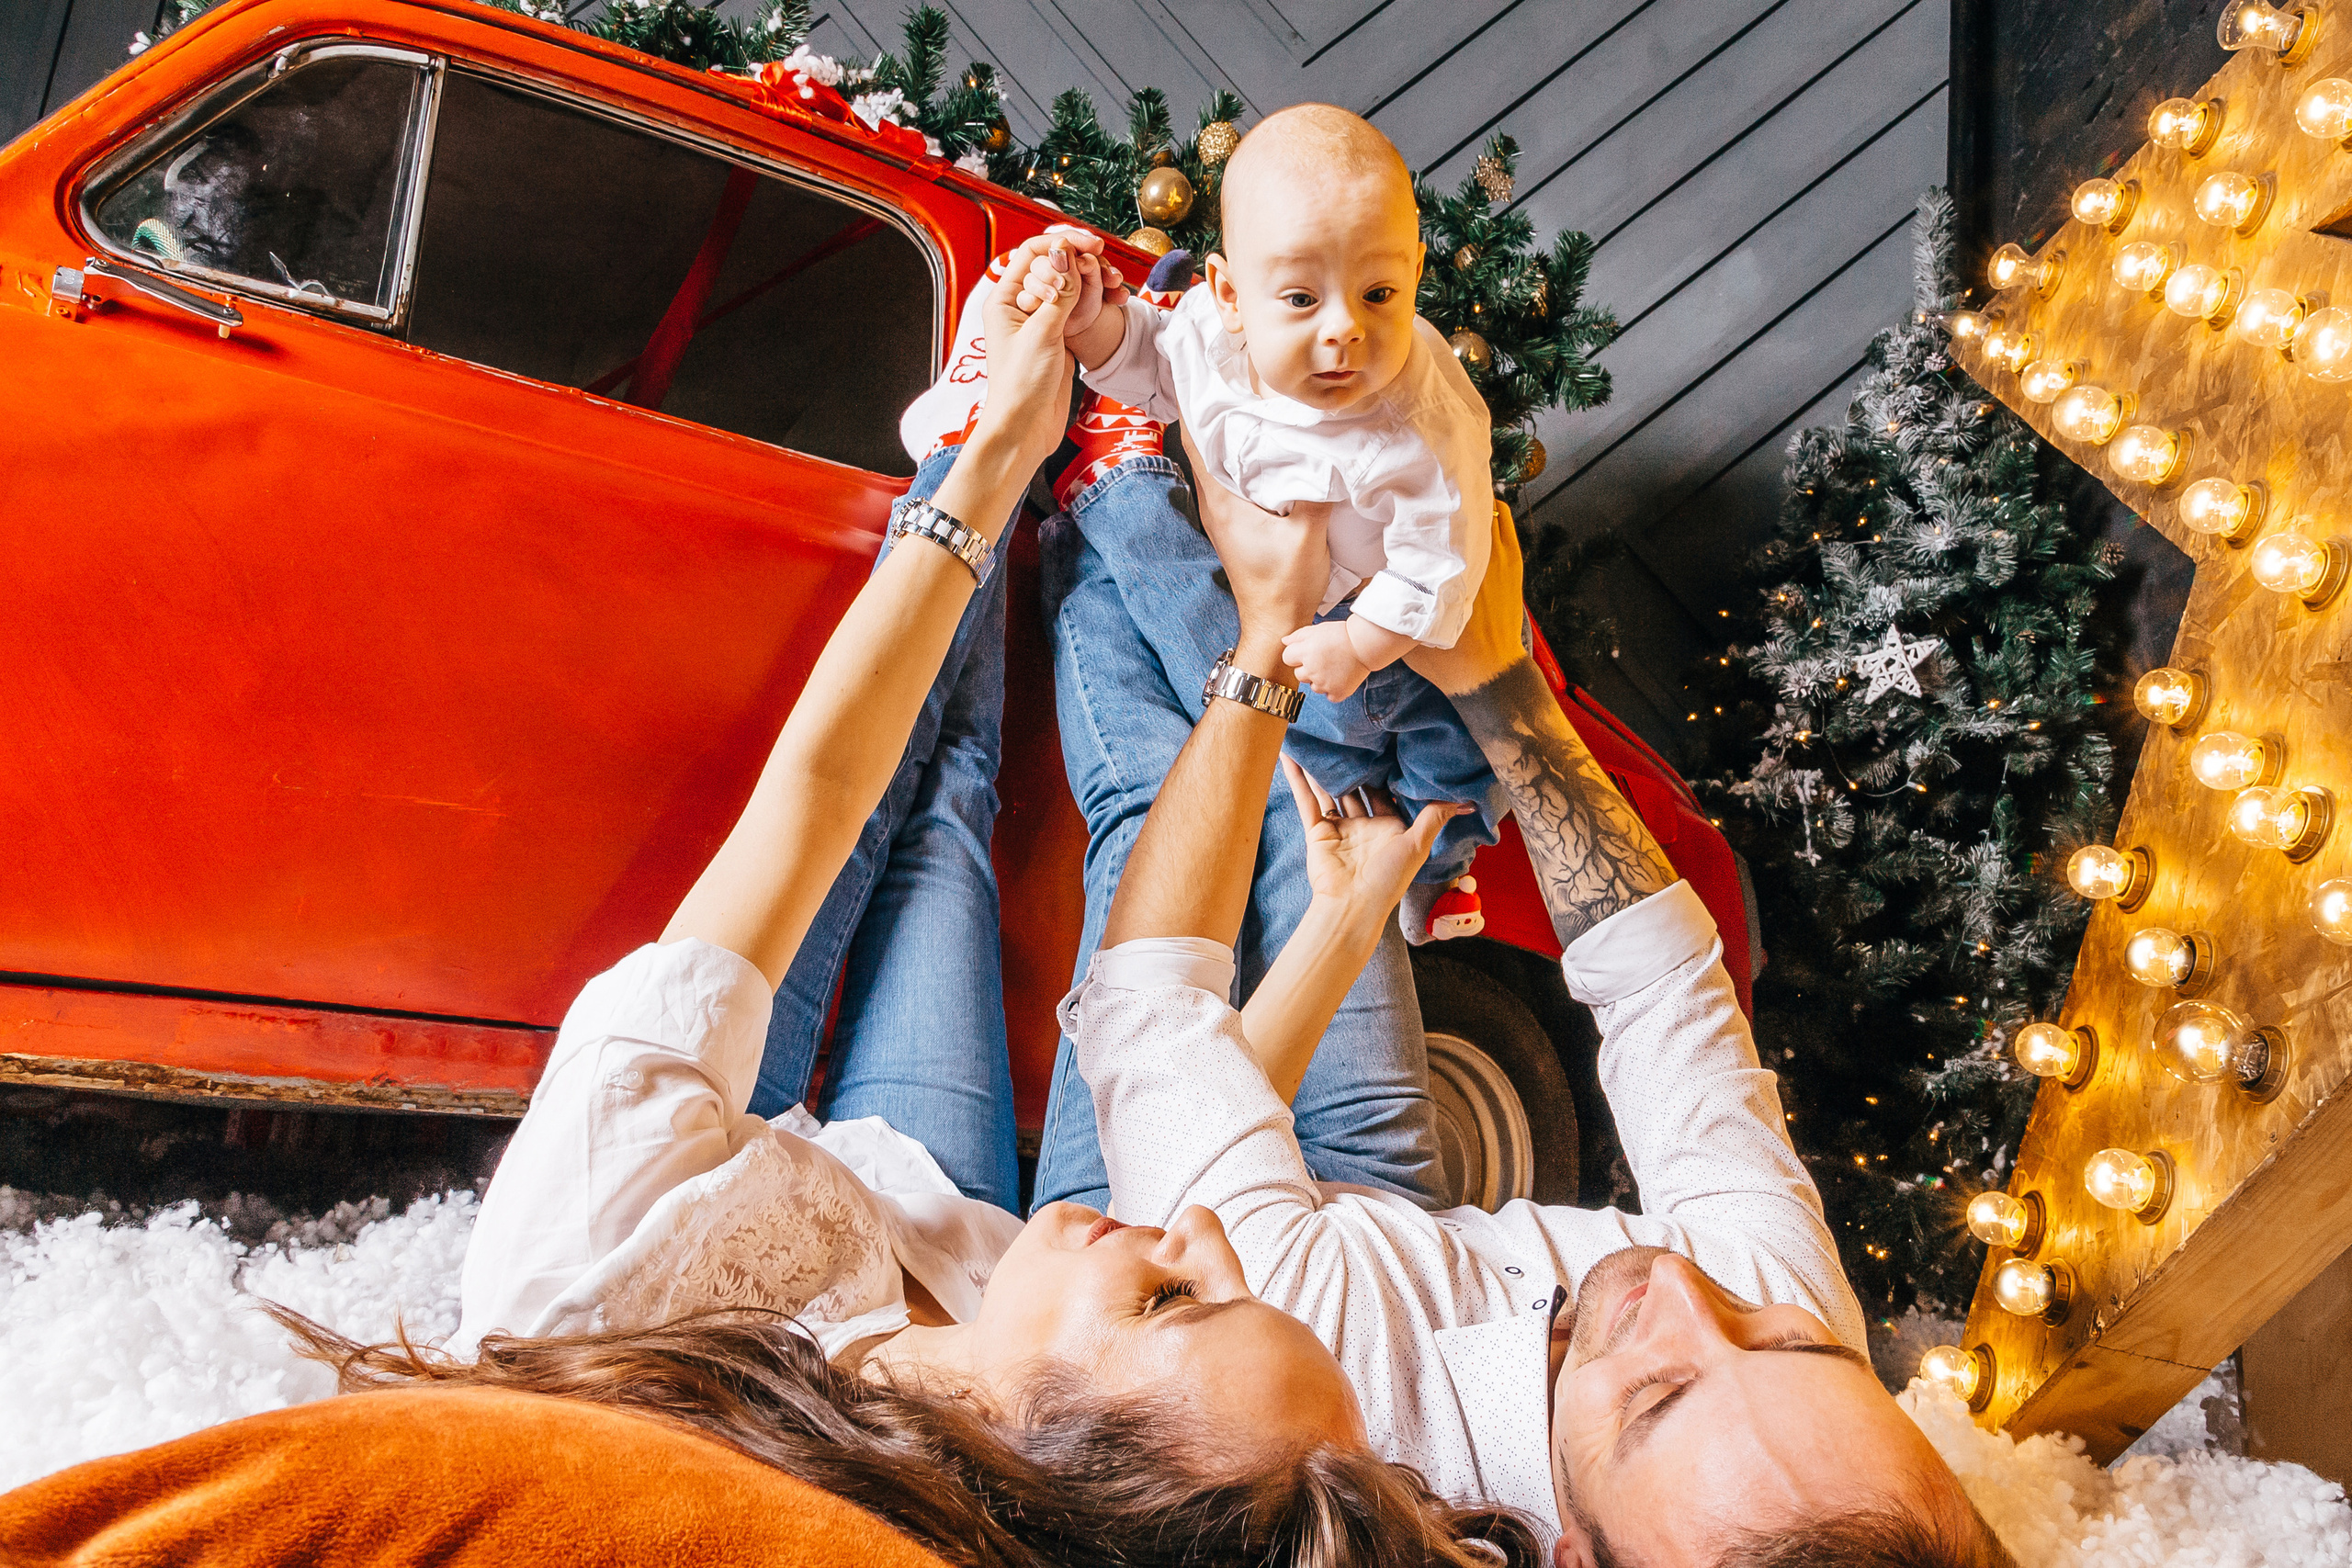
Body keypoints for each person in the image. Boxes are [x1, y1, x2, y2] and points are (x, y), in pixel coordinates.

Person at [322, 239, 1520, 1568]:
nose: (1213, 1231)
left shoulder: (592, 1271)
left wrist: (995, 454)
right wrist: (1349, 920)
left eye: (1180, 1296)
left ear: (1045, 1475)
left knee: (924, 810)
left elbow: (816, 798)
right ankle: (1097, 477)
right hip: (966, 1256)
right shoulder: (1049, 1399)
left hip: (799, 1226)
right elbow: (1199, 1118)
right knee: (1134, 926)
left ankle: (972, 442)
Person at [1061, 468, 2019, 1568]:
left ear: (1570, 1556)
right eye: (1797, 1342)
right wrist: (1500, 688)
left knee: (1155, 805)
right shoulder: (1785, 1383)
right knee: (1337, 836)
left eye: (1657, 1393)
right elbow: (1666, 995)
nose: (1684, 1289)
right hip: (1395, 1229)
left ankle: (1103, 484)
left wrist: (1268, 638)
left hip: (1197, 1279)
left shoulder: (1322, 1403)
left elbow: (1154, 1008)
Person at [1023, 105, 1502, 944]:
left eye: (1380, 292)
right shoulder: (1206, 338)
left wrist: (1363, 646)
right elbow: (1146, 360)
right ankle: (1361, 812)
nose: (1346, 327)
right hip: (1290, 595)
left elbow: (1446, 563)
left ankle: (1442, 865)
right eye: (1301, 297)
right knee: (1325, 750)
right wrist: (1093, 324)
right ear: (1228, 294)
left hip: (1396, 623)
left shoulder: (1422, 427)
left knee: (1450, 748)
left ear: (1417, 274)